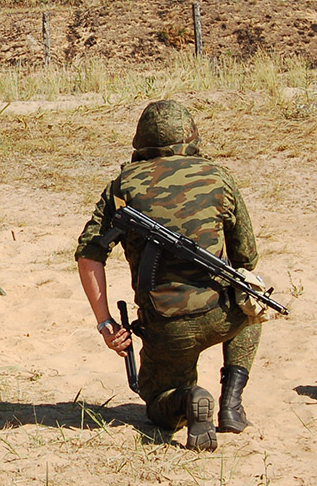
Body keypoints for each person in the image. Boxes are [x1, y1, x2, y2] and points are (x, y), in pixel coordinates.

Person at [75, 100, 261, 452]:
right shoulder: (219, 176)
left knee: (159, 404)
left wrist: (105, 324)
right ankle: (232, 402)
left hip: (167, 326)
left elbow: (89, 254)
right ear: (191, 137)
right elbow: (247, 259)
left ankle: (189, 399)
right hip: (223, 315)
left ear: (140, 142)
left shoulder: (123, 186)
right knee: (252, 299)